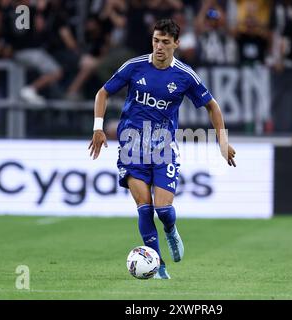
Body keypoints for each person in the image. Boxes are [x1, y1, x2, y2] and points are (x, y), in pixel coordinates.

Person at [88, 19, 236, 279]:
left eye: (165, 42)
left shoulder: (184, 75)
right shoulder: (134, 67)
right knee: (144, 207)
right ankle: (158, 267)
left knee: (164, 210)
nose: (159, 46)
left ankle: (170, 230)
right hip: (131, 147)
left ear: (176, 44)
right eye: (156, 40)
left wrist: (222, 142)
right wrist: (98, 127)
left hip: (163, 148)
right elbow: (103, 93)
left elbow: (212, 106)